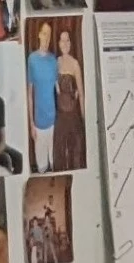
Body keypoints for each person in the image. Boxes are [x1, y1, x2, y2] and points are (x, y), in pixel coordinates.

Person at [52, 28, 85, 171]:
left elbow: (81, 93)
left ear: (70, 43)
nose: (65, 43)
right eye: (62, 40)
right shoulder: (55, 63)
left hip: (73, 115)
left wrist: (83, 118)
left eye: (67, 40)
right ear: (59, 43)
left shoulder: (75, 64)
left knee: (75, 151)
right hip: (60, 116)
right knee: (59, 152)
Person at [27, 21, 58, 173]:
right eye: (44, 33)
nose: (46, 38)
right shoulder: (32, 59)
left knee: (55, 165)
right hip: (39, 124)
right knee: (42, 168)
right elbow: (29, 94)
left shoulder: (53, 60)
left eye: (49, 35)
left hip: (54, 123)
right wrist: (31, 124)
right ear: (39, 35)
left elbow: (58, 89)